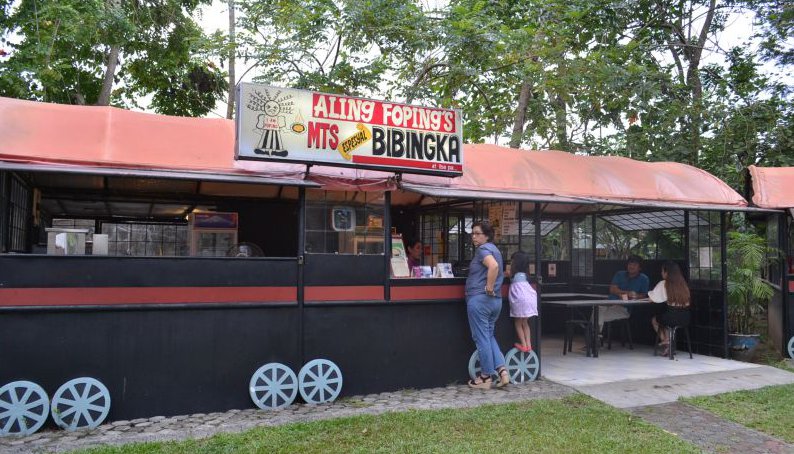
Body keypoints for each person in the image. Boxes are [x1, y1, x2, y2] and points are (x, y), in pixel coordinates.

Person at [465, 220, 509, 389]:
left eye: (477, 233)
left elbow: (494, 266)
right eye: (473, 233)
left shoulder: (483, 250)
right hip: (495, 302)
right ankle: (502, 371)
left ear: (487, 236)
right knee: (489, 336)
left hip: (480, 300)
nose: (473, 236)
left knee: (481, 338)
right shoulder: (495, 250)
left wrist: (489, 287)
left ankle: (485, 377)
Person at [648, 261, 691, 356]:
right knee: (666, 320)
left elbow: (653, 298)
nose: (661, 273)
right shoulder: (683, 284)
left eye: (662, 271)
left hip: (671, 317)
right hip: (685, 318)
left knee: (656, 320)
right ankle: (669, 345)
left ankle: (666, 341)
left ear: (667, 273)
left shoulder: (664, 283)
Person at [598, 255, 649, 333]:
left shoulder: (644, 279)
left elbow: (643, 295)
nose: (631, 266)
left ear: (640, 268)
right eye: (629, 264)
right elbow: (612, 289)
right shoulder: (619, 274)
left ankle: (595, 336)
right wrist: (627, 293)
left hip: (624, 308)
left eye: (634, 265)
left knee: (597, 316)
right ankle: (596, 335)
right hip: (609, 303)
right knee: (597, 310)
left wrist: (633, 295)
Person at [508, 251, 537, 353]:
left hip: (521, 301)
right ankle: (529, 345)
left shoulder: (515, 276)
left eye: (512, 261)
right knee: (525, 322)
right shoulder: (525, 275)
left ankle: (523, 345)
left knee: (518, 322)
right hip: (530, 300)